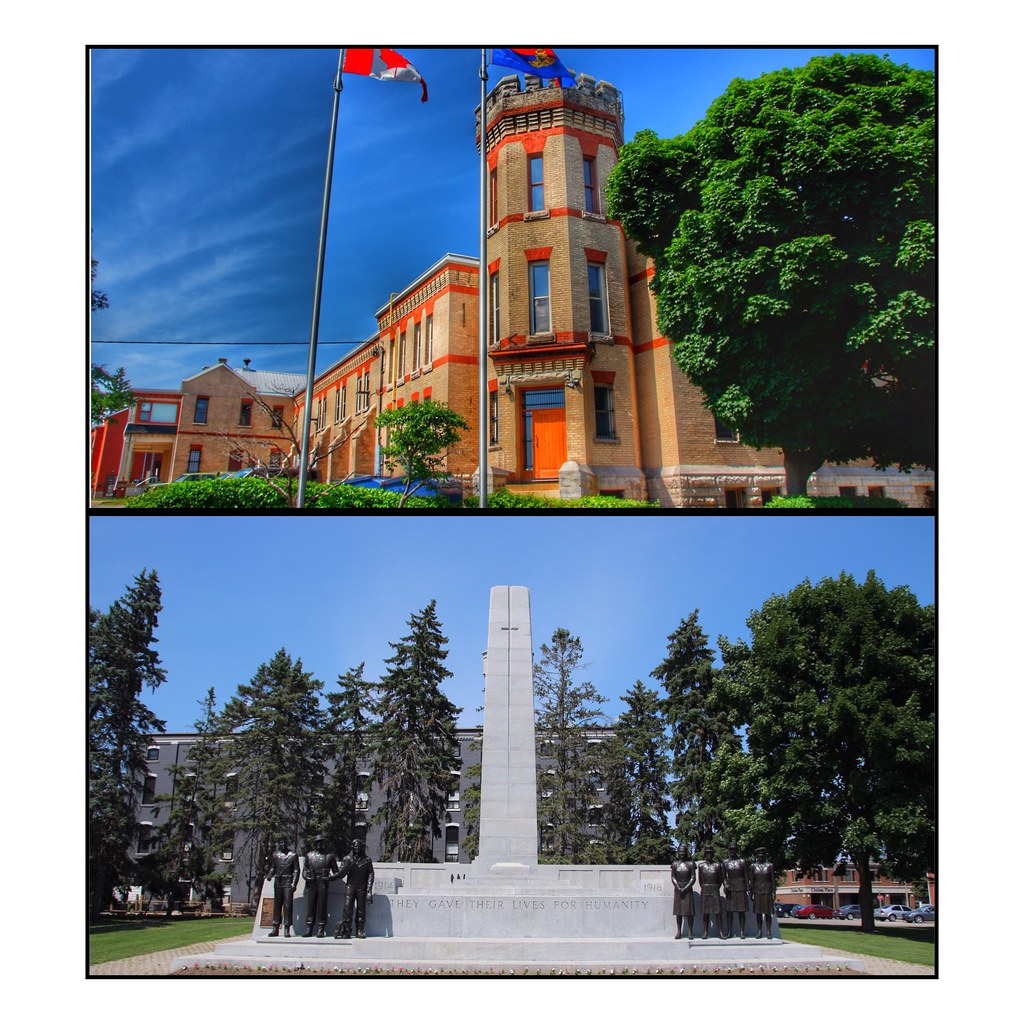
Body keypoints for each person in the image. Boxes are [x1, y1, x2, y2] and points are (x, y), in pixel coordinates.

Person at [334, 838, 375, 939]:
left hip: (362, 887)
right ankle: (347, 931)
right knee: (347, 909)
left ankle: (360, 930)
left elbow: (371, 874)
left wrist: (369, 891)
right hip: (350, 887)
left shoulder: (367, 860)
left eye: (359, 846)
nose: (357, 848)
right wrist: (331, 877)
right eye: (355, 846)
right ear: (352, 847)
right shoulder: (347, 859)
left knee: (361, 910)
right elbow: (341, 873)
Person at [302, 835, 339, 938]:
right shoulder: (309, 855)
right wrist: (307, 877)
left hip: (323, 883)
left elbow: (337, 873)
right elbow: (304, 870)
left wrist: (330, 878)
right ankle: (309, 927)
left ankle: (321, 928)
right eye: (317, 842)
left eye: (321, 842)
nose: (319, 844)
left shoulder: (330, 856)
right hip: (312, 883)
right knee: (311, 906)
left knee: (322, 906)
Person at [267, 836, 299, 938]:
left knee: (288, 905)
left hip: (288, 881)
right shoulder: (275, 855)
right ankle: (275, 927)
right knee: (277, 905)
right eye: (281, 843)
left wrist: (294, 883)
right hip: (278, 881)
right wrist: (270, 874)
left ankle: (287, 928)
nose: (283, 844)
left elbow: (296, 870)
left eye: (284, 842)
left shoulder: (293, 855)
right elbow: (273, 867)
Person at [697, 844, 726, 940]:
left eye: (710, 853)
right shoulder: (701, 866)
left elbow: (720, 879)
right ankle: (705, 932)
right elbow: (700, 880)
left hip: (715, 890)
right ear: (705, 854)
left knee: (718, 913)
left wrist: (715, 887)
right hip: (705, 890)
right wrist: (706, 887)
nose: (709, 855)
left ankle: (720, 932)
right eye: (707, 853)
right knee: (705, 913)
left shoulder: (718, 865)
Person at [722, 841, 750, 939]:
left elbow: (746, 875)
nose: (732, 851)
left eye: (734, 849)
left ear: (737, 850)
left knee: (741, 911)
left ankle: (742, 931)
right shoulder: (725, 862)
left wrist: (748, 888)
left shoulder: (742, 861)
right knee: (729, 912)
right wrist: (725, 885)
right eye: (731, 849)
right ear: (728, 850)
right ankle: (729, 932)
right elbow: (723, 876)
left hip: (741, 887)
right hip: (730, 888)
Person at [670, 845, 697, 940]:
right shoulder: (674, 864)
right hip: (678, 890)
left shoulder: (690, 864)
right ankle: (679, 931)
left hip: (688, 889)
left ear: (686, 852)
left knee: (689, 912)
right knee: (679, 912)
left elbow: (693, 877)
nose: (682, 853)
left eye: (683, 851)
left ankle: (690, 931)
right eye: (680, 851)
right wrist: (678, 887)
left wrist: (686, 887)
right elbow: (673, 877)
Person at [750, 847, 776, 940]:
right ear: (756, 856)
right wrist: (751, 893)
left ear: (764, 855)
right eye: (758, 854)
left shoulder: (769, 866)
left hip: (767, 891)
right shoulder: (753, 866)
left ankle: (769, 931)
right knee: (758, 913)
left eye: (762, 854)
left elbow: (772, 880)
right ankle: (759, 931)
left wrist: (774, 892)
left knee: (768, 913)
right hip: (757, 891)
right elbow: (752, 881)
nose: (760, 856)